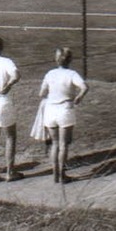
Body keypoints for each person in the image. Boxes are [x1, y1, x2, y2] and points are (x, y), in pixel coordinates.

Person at [37, 47, 87, 184]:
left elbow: (41, 94)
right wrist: (78, 98)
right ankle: (62, 175)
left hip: (50, 111)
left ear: (56, 59)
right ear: (70, 60)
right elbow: (84, 87)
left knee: (55, 144)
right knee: (64, 144)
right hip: (65, 110)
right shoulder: (72, 74)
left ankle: (55, 175)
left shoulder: (50, 74)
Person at [0, 38, 20, 183]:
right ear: (1, 48)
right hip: (2, 102)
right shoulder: (6, 62)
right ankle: (9, 172)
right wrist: (7, 86)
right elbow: (16, 76)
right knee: (10, 136)